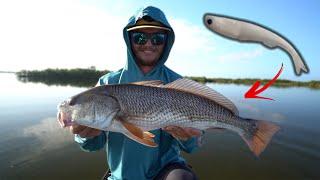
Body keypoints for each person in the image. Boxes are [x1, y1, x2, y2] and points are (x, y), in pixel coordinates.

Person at [70, 6, 203, 180]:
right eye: (140, 37)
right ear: (129, 39)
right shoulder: (107, 83)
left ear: (167, 41)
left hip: (166, 171)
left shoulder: (179, 85)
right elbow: (94, 145)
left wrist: (187, 138)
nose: (148, 44)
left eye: (157, 38)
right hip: (120, 175)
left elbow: (192, 148)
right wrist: (84, 136)